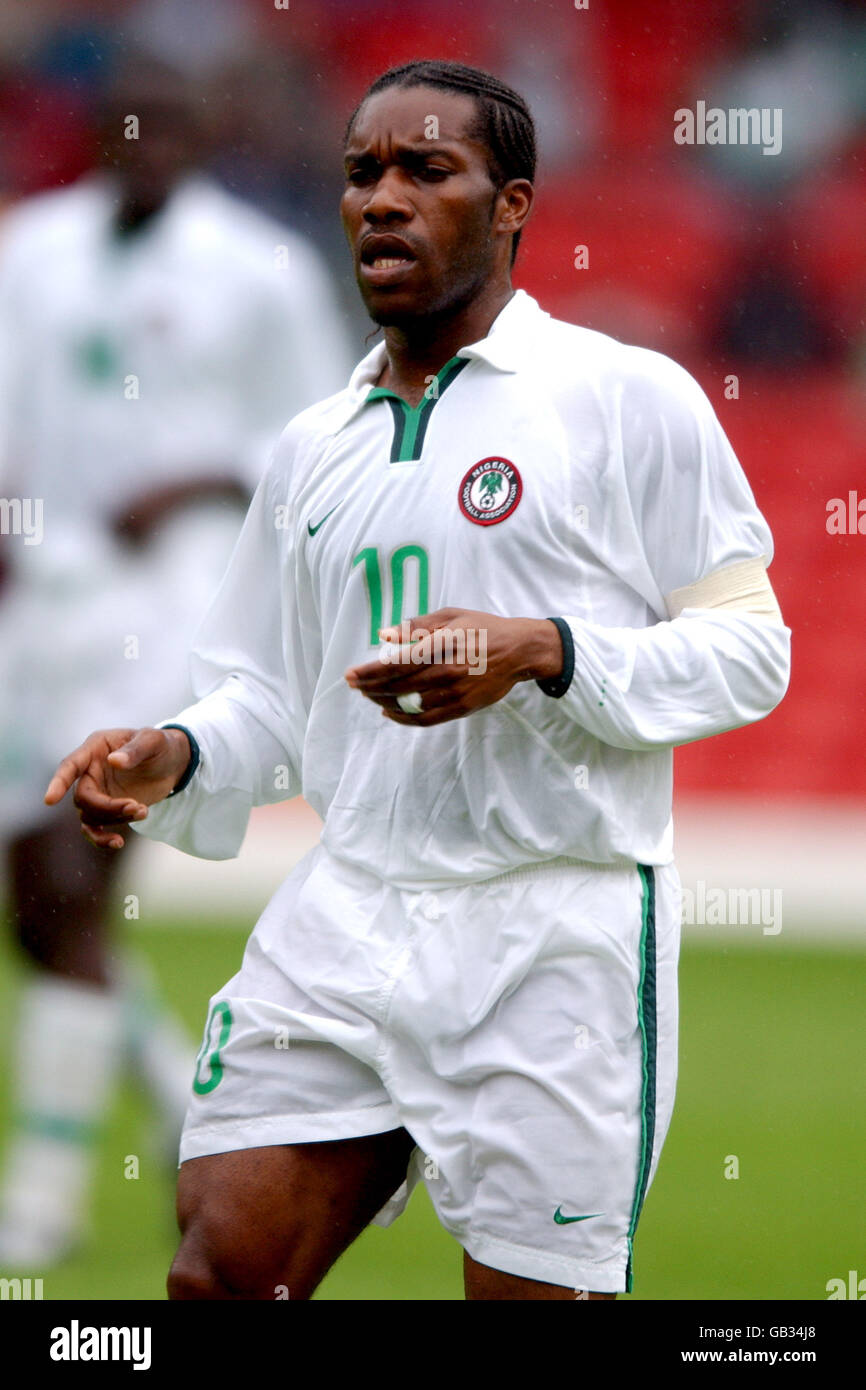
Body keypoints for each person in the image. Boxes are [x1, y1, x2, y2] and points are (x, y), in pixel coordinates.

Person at [45, 59, 791, 1301]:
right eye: (360, 173)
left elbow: (749, 649)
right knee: (220, 1271)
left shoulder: (623, 400)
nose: (381, 199)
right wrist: (175, 752)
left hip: (553, 931)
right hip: (346, 916)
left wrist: (541, 651)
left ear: (511, 207)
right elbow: (273, 700)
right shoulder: (309, 447)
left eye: (425, 170)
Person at [0, 57, 351, 1266]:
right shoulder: (32, 248)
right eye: (122, 130)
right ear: (95, 140)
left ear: (203, 138)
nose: (144, 149)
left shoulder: (260, 267)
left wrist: (200, 474)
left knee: (67, 863)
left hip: (180, 592)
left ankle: (37, 1198)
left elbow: (319, 432)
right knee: (40, 907)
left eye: (169, 130)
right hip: (47, 596)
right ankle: (179, 1099)